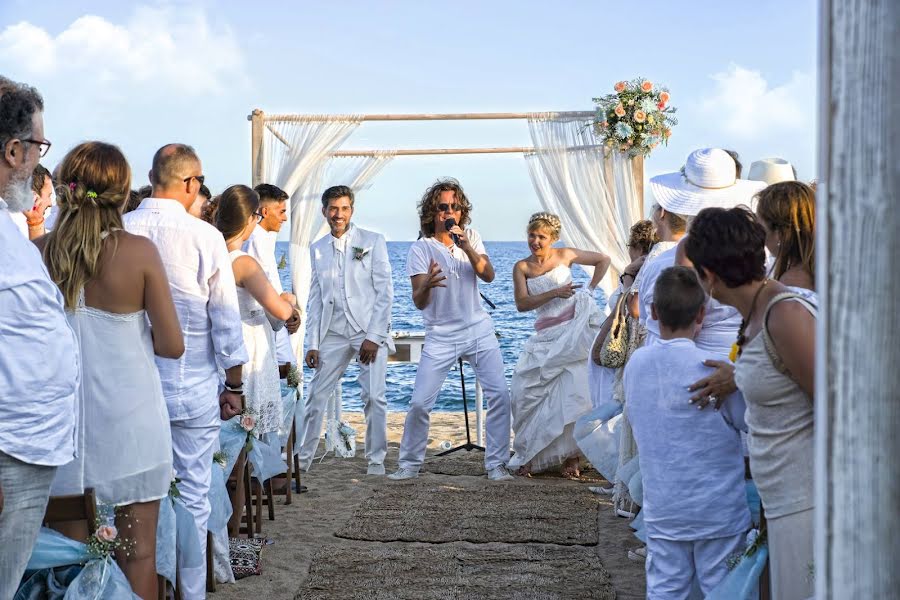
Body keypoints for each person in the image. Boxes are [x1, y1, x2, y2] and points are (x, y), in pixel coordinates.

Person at [38, 141, 183, 599]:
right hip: (131, 430)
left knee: (65, 562)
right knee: (137, 556)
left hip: (60, 435)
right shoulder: (138, 253)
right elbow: (173, 345)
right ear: (123, 195)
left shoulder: (36, 253)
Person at [124, 143, 247, 598]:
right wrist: (235, 385)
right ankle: (189, 593)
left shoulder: (121, 228)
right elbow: (225, 320)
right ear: (191, 182)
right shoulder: (204, 236)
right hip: (193, 385)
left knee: (138, 497)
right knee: (194, 497)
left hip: (134, 388)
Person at [685, 207, 816, 600]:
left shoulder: (785, 314)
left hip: (806, 500)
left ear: (708, 275)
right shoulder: (758, 313)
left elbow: (836, 408)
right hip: (779, 494)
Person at [625, 266, 750, 598]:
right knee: (723, 589)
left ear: (652, 312)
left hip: (665, 506)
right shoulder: (716, 368)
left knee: (666, 588)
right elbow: (744, 421)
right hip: (718, 508)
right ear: (702, 314)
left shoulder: (636, 364)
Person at [0, 77, 78, 599]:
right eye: (38, 147)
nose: (37, 161)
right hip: (10, 453)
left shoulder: (8, 222)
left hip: (27, 448)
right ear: (13, 150)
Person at [389, 178, 512, 481]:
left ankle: (495, 464)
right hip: (441, 335)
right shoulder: (421, 248)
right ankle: (409, 464)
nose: (449, 213)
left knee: (500, 395)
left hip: (478, 329)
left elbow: (489, 276)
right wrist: (427, 285)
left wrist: (467, 246)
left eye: (454, 207)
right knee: (419, 403)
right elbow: (418, 301)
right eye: (443, 207)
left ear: (461, 210)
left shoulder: (471, 237)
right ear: (432, 212)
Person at [300, 185, 393, 476]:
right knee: (316, 395)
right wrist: (312, 343)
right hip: (334, 333)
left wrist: (374, 336)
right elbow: (315, 299)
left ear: (352, 210)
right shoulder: (316, 250)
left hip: (367, 331)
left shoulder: (372, 241)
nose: (338, 214)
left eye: (344, 208)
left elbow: (385, 293)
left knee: (374, 397)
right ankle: (301, 460)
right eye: (333, 208)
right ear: (324, 211)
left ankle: (376, 460)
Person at [508, 212, 609, 477]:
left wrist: (590, 288)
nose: (535, 241)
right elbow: (521, 304)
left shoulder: (565, 255)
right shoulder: (522, 267)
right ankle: (530, 454)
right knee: (526, 392)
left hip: (574, 332)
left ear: (553, 238)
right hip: (546, 335)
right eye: (532, 235)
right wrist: (554, 292)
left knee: (575, 394)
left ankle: (571, 458)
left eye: (542, 236)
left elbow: (603, 259)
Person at [216, 184, 296, 435]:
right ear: (251, 218)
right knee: (251, 427)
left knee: (230, 430)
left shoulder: (210, 254)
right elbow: (281, 311)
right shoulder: (243, 263)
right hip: (249, 347)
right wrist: (288, 300)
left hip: (221, 345)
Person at [244, 183, 301, 375]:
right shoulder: (254, 242)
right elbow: (260, 298)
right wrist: (288, 306)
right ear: (265, 211)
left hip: (276, 325)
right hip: (266, 330)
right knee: (286, 384)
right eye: (282, 211)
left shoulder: (263, 240)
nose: (285, 218)